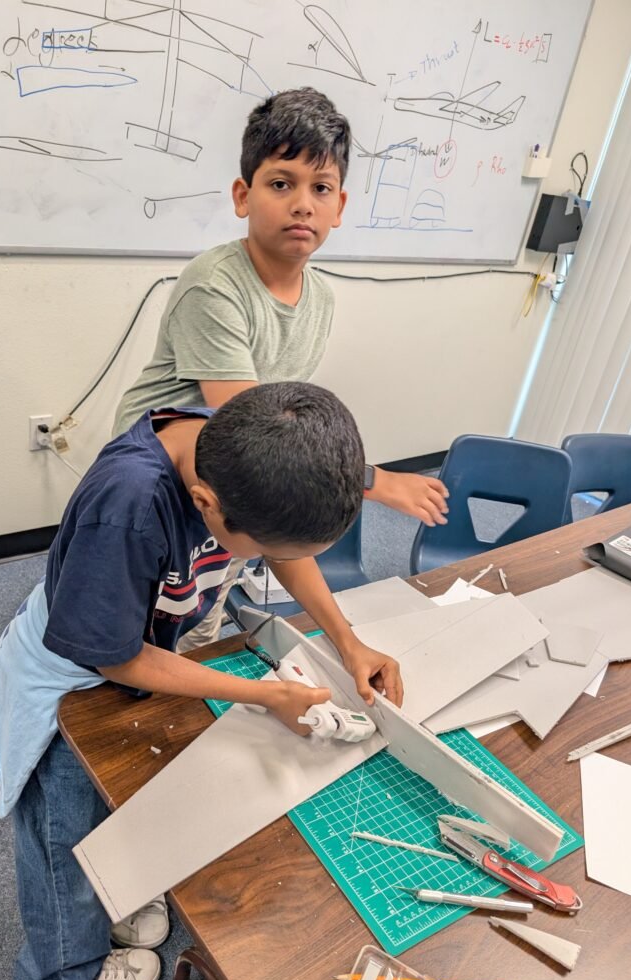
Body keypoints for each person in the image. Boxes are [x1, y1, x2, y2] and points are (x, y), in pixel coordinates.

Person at [0, 382, 403, 980]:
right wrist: (264, 695)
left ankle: (109, 902)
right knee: (63, 836)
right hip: (72, 683)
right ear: (205, 504)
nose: (269, 560)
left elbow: (283, 550)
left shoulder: (237, 446)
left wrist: (347, 641)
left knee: (114, 805)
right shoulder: (128, 506)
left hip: (138, 644)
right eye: (262, 550)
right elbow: (113, 656)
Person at [112, 87, 448, 647]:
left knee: (202, 616)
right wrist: (374, 481)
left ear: (340, 206)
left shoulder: (320, 299)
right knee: (134, 623)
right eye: (281, 184)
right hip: (162, 477)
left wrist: (346, 641)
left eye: (321, 188)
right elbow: (250, 435)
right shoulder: (214, 285)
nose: (303, 204)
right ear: (243, 196)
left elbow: (271, 448)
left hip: (232, 476)